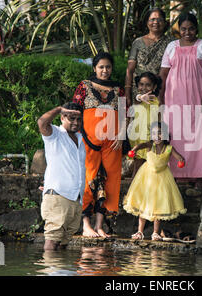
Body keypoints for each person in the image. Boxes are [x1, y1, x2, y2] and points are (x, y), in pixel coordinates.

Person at [159, 12, 202, 190]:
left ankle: (200, 175)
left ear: (196, 28)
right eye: (183, 29)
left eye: (191, 28)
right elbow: (163, 74)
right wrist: (160, 98)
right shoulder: (171, 47)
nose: (187, 32)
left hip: (196, 99)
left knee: (199, 135)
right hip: (173, 99)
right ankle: (176, 175)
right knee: (176, 135)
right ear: (179, 30)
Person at [72, 51, 125, 238]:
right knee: (88, 180)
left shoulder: (118, 88)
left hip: (113, 142)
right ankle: (86, 224)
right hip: (88, 140)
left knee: (110, 181)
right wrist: (79, 136)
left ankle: (100, 225)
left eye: (108, 67)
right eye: (101, 67)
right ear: (94, 68)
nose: (105, 70)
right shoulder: (84, 86)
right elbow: (75, 111)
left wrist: (121, 135)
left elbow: (125, 113)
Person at [123, 121, 187, 241]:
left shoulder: (169, 148)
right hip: (146, 177)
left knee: (158, 205)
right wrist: (134, 149)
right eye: (154, 133)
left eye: (160, 133)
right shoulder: (149, 145)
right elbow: (140, 145)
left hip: (162, 178)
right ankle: (139, 231)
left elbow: (179, 157)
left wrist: (181, 160)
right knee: (143, 203)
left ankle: (155, 232)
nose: (157, 136)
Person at [37, 102, 86, 251]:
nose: (76, 123)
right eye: (72, 118)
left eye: (79, 119)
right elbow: (41, 123)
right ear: (62, 118)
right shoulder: (55, 134)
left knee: (63, 243)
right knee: (52, 241)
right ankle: (51, 270)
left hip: (75, 198)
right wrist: (58, 109)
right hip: (58, 196)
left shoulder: (81, 138)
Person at [125, 7, 172, 108]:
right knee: (139, 121)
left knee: (159, 121)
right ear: (147, 23)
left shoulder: (171, 43)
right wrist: (127, 93)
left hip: (162, 90)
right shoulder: (138, 42)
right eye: (152, 19)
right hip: (139, 90)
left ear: (164, 22)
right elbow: (130, 69)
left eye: (159, 19)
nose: (156, 22)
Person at [127, 72, 161, 177]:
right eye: (141, 84)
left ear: (154, 86)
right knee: (138, 162)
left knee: (151, 163)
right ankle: (133, 189)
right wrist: (141, 97)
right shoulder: (138, 99)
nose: (144, 87)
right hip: (138, 136)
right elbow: (137, 98)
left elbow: (160, 118)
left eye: (148, 85)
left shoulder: (158, 101)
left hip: (151, 135)